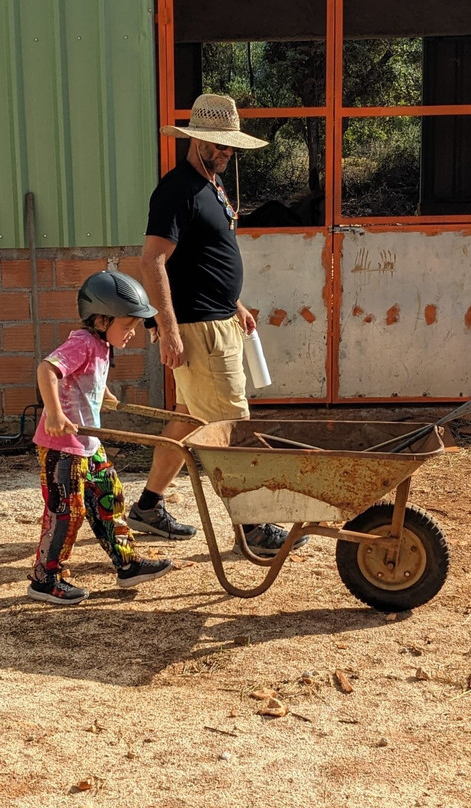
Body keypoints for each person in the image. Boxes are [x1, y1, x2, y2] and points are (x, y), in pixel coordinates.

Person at [125, 93, 308, 558]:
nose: (225, 152)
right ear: (195, 140)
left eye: (230, 146)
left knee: (187, 422)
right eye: (217, 144)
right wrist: (167, 330)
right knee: (231, 428)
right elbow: (154, 262)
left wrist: (236, 302)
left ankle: (147, 507)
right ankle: (252, 527)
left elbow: (205, 257)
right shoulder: (177, 190)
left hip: (219, 319)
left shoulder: (212, 186)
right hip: (198, 331)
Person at [29, 270, 174, 605]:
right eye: (128, 325)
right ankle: (45, 577)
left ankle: (127, 564)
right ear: (101, 318)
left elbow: (85, 376)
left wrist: (103, 393)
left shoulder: (101, 345)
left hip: (88, 444)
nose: (133, 333)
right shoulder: (81, 342)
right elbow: (47, 370)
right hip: (62, 447)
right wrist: (53, 413)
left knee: (109, 498)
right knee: (67, 510)